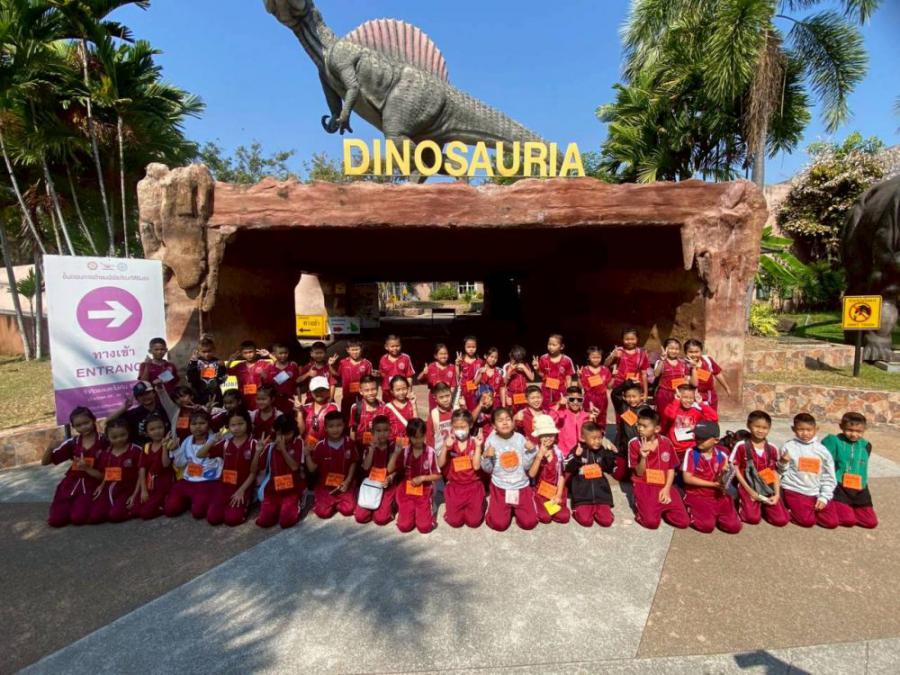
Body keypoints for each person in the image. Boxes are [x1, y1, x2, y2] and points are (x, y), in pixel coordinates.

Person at [42, 406, 109, 527]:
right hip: (70, 485)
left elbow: (109, 472)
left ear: (93, 420)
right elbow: (45, 462)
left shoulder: (105, 441)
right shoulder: (73, 443)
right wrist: (50, 448)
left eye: (86, 423)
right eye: (78, 425)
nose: (83, 427)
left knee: (78, 518)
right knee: (56, 521)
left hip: (92, 484)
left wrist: (87, 469)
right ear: (73, 427)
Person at [629, 408, 689, 530]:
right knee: (651, 523)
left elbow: (671, 468)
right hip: (644, 485)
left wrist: (666, 489)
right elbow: (639, 473)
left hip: (664, 484)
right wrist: (642, 456)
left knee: (683, 522)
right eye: (639, 425)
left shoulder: (666, 442)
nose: (640, 429)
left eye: (644, 426)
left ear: (656, 429)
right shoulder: (634, 444)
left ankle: (661, 510)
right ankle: (641, 507)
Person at [197, 408, 260, 526]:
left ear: (247, 423)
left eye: (240, 424)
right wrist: (212, 441)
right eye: (233, 425)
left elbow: (253, 473)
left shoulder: (254, 444)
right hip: (224, 487)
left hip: (243, 488)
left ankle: (247, 503)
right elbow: (200, 454)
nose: (237, 428)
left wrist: (241, 491)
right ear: (228, 427)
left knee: (232, 520)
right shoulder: (225, 443)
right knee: (213, 518)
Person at [481, 407, 539, 531]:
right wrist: (486, 457)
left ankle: (519, 507)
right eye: (500, 420)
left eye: (508, 419)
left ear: (513, 422)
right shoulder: (491, 441)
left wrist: (531, 452)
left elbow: (526, 466)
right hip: (500, 488)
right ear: (494, 426)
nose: (505, 423)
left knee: (529, 523)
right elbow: (487, 469)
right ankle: (499, 507)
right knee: (499, 524)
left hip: (521, 486)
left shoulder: (520, 438)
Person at [778, 412, 838, 529]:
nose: (805, 433)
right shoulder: (788, 447)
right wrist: (783, 462)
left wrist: (824, 497)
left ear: (816, 429)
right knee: (807, 521)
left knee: (832, 522)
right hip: (794, 489)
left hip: (815, 491)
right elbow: (780, 472)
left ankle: (806, 510)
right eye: (801, 429)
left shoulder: (822, 451)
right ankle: (788, 509)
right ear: (793, 429)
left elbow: (828, 476)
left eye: (809, 430)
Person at [730, 411, 789, 527]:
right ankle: (744, 505)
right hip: (748, 484)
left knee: (781, 520)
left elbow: (774, 472)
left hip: (767, 484)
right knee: (752, 518)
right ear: (748, 425)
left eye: (765, 428)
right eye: (757, 426)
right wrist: (750, 492)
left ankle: (763, 507)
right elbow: (735, 468)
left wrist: (777, 494)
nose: (761, 430)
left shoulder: (772, 448)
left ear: (769, 429)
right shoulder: (741, 445)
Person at [681, 421, 742, 534]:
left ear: (716, 440)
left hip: (718, 496)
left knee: (734, 527)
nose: (698, 440)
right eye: (697, 437)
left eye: (703, 438)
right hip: (697, 495)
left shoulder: (722, 455)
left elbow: (724, 479)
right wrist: (712, 484)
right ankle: (694, 511)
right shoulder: (691, 453)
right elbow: (687, 478)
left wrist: (724, 475)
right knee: (706, 526)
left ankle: (715, 515)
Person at [822, 412, 878, 529]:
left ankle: (848, 509)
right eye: (849, 430)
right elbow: (823, 462)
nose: (854, 434)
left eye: (859, 431)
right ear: (841, 426)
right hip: (840, 486)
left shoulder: (866, 445)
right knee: (848, 520)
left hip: (860, 488)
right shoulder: (834, 441)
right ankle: (836, 507)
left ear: (864, 429)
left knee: (871, 522)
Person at [164, 411, 222, 520]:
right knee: (170, 510)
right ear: (189, 426)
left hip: (207, 481)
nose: (197, 427)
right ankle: (190, 501)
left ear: (208, 424)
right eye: (194, 424)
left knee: (198, 513)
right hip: (188, 480)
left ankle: (198, 501)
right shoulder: (187, 441)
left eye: (202, 423)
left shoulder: (215, 440)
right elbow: (180, 464)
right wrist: (175, 450)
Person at [388, 418, 441, 534]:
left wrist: (423, 478)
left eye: (421, 437)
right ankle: (403, 509)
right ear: (409, 436)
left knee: (424, 527)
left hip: (424, 491)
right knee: (404, 526)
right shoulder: (405, 452)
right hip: (406, 492)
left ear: (424, 435)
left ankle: (429, 506)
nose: (418, 440)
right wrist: (396, 453)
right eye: (414, 437)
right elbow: (390, 469)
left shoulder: (430, 452)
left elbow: (438, 475)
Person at [256, 414, 305, 529]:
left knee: (286, 522)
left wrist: (283, 449)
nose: (283, 437)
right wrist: (258, 452)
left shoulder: (298, 443)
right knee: (264, 522)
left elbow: (294, 467)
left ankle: (297, 501)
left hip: (291, 491)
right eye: (280, 434)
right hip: (273, 491)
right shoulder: (270, 447)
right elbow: (256, 469)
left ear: (293, 432)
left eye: (287, 433)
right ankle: (275, 508)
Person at [306, 411, 358, 518]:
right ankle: (325, 500)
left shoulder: (349, 443)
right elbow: (312, 469)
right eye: (331, 426)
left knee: (348, 510)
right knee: (323, 513)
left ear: (344, 425)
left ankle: (338, 501)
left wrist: (348, 481)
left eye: (339, 425)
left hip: (344, 485)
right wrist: (307, 455)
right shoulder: (320, 446)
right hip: (326, 486)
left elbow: (353, 462)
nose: (335, 429)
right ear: (325, 428)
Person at [88, 418, 141, 524]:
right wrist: (101, 486)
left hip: (128, 490)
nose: (119, 439)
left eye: (123, 435)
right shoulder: (106, 453)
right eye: (114, 437)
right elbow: (106, 473)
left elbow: (141, 474)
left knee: (115, 516)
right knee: (95, 517)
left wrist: (134, 495)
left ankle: (135, 509)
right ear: (107, 437)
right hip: (109, 489)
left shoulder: (136, 450)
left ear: (128, 433)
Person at [438, 410, 485, 528]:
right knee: (454, 522)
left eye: (463, 427)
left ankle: (477, 504)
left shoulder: (474, 442)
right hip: (455, 486)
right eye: (456, 427)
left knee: (474, 522)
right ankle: (455, 508)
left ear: (470, 425)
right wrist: (445, 447)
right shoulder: (450, 442)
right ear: (452, 427)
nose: (460, 430)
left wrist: (478, 447)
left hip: (473, 486)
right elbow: (440, 464)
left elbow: (476, 466)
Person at [565, 422, 618, 527]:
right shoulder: (578, 450)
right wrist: (576, 456)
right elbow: (567, 467)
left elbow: (610, 469)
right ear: (583, 438)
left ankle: (600, 510)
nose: (597, 441)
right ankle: (578, 511)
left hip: (601, 495)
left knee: (607, 521)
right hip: (582, 496)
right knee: (586, 521)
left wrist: (610, 454)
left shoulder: (603, 451)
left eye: (600, 438)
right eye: (593, 438)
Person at [354, 416, 398, 526]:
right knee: (360, 517)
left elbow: (392, 469)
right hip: (371, 484)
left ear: (390, 431)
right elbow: (365, 467)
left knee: (381, 519)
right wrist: (372, 449)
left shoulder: (392, 447)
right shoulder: (369, 446)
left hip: (385, 484)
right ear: (373, 432)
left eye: (385, 430)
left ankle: (391, 506)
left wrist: (390, 478)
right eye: (378, 431)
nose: (382, 434)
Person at [132, 415, 177, 520]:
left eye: (160, 427)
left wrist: (164, 446)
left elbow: (165, 464)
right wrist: (143, 490)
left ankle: (163, 505)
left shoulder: (170, 444)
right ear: (147, 433)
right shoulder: (146, 447)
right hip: (150, 484)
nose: (157, 431)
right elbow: (142, 469)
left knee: (145, 514)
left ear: (164, 428)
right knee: (135, 511)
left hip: (164, 484)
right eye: (152, 429)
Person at [528, 414, 570, 525]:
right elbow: (531, 474)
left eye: (551, 435)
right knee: (545, 517)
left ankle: (550, 506)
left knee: (564, 516)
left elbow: (561, 476)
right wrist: (539, 456)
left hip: (554, 491)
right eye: (544, 435)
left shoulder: (558, 452)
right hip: (539, 492)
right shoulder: (534, 451)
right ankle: (537, 505)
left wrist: (558, 495)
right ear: (538, 436)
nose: (548, 438)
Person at [107, 380, 177, 446]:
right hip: (143, 450)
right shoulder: (134, 414)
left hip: (168, 445)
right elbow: (109, 421)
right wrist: (124, 408)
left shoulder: (165, 407)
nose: (145, 397)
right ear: (137, 399)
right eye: (141, 395)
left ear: (154, 393)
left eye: (147, 393)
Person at [661, 382, 718, 461]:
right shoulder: (671, 408)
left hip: (691, 449)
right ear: (678, 396)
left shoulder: (696, 412)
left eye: (691, 398)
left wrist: (701, 403)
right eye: (685, 397)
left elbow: (714, 418)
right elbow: (671, 416)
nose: (688, 400)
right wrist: (676, 401)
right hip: (673, 449)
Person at [607, 328, 650, 410]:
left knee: (635, 412)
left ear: (637, 339)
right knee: (621, 411)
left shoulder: (642, 353)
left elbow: (644, 374)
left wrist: (645, 393)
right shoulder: (618, 351)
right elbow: (606, 365)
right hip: (619, 388)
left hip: (635, 388)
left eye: (632, 339)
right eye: (627, 339)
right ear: (622, 339)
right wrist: (612, 356)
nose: (630, 341)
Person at [330, 340, 373, 421]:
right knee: (345, 418)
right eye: (352, 350)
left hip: (362, 398)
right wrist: (330, 365)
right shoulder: (343, 363)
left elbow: (370, 382)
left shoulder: (367, 364)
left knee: (361, 417)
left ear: (361, 349)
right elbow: (336, 375)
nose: (355, 352)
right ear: (348, 350)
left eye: (357, 349)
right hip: (347, 397)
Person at [684, 338, 731, 411]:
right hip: (695, 397)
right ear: (685, 352)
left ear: (701, 351)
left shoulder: (708, 360)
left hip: (711, 396)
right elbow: (694, 384)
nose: (694, 354)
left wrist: (727, 388)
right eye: (690, 352)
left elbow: (717, 373)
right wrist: (694, 368)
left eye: (696, 352)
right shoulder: (684, 365)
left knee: (711, 416)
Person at [550, 385, 598, 456]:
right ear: (567, 400)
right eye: (572, 399)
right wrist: (558, 404)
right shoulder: (561, 413)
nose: (575, 402)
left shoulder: (586, 415)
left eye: (579, 399)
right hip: (565, 454)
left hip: (583, 454)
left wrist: (592, 419)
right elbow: (549, 420)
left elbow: (591, 435)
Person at [227, 340, 273, 411]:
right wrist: (230, 360)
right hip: (243, 401)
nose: (248, 355)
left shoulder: (263, 364)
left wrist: (269, 355)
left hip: (260, 402)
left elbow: (277, 368)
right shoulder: (239, 366)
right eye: (245, 353)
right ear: (241, 354)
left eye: (250, 352)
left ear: (255, 351)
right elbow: (226, 371)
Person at [612, 383, 645, 482]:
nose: (631, 399)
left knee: (636, 476)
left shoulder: (645, 410)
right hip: (623, 447)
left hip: (637, 448)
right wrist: (627, 383)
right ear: (624, 397)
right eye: (628, 397)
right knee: (619, 476)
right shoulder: (623, 406)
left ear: (641, 396)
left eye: (634, 396)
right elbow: (614, 394)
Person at [533, 334, 576, 409]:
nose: (550, 347)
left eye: (554, 345)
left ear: (561, 346)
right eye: (549, 344)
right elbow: (542, 375)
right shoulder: (543, 358)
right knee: (546, 411)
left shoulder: (567, 360)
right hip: (546, 392)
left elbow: (568, 378)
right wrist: (536, 369)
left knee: (561, 411)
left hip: (561, 392)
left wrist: (568, 395)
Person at [349, 375, 387, 451]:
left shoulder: (383, 406)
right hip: (360, 449)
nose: (370, 393)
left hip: (379, 449)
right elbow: (353, 430)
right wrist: (353, 448)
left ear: (377, 389)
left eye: (373, 389)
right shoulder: (356, 408)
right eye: (366, 390)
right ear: (361, 391)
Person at [300, 376, 339, 449]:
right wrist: (299, 412)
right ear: (311, 392)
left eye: (322, 390)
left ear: (327, 391)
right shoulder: (305, 408)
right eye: (316, 390)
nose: (319, 393)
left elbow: (337, 431)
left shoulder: (333, 408)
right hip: (308, 449)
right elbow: (301, 431)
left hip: (327, 448)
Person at [186, 336, 228, 405]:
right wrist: (193, 363)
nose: (207, 354)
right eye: (204, 352)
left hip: (215, 396)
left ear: (214, 350)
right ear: (198, 351)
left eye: (209, 351)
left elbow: (223, 380)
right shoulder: (195, 362)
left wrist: (222, 368)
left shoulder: (218, 362)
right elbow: (190, 379)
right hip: (198, 396)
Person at [579, 346, 611, 432]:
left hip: (602, 398)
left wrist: (614, 376)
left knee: (601, 418)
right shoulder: (584, 370)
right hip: (589, 398)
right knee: (588, 418)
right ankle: (587, 435)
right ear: (588, 358)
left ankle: (601, 435)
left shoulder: (605, 370)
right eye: (593, 357)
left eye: (598, 357)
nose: (596, 359)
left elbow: (609, 386)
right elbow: (581, 387)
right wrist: (579, 377)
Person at [653, 338, 689, 414]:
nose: (674, 351)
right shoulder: (661, 362)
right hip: (664, 394)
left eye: (676, 349)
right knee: (663, 415)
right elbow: (656, 374)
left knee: (677, 415)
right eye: (671, 348)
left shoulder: (683, 363)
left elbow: (686, 379)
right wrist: (662, 360)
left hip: (679, 394)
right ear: (665, 349)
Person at [418, 343, 458, 412]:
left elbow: (453, 386)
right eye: (441, 354)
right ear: (435, 356)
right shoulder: (431, 366)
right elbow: (419, 379)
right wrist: (423, 373)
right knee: (434, 415)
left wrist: (448, 398)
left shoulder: (452, 367)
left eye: (445, 354)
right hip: (433, 398)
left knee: (446, 415)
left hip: (446, 399)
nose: (443, 356)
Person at [265, 342, 301, 415]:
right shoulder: (270, 367)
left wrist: (299, 401)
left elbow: (297, 385)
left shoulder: (293, 366)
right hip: (275, 402)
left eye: (285, 353)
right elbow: (269, 386)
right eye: (280, 353)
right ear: (274, 354)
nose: (283, 355)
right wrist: (285, 375)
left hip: (289, 401)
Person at [377, 335, 415, 403]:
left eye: (397, 346)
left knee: (401, 408)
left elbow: (409, 376)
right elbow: (382, 375)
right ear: (386, 347)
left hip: (401, 391)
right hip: (387, 392)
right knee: (387, 408)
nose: (395, 348)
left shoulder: (405, 358)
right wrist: (378, 374)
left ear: (401, 345)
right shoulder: (383, 359)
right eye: (392, 346)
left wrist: (409, 391)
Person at [383, 375, 417, 444]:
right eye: (398, 390)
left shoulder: (411, 403)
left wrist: (414, 405)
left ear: (408, 388)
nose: (401, 392)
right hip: (393, 444)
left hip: (409, 443)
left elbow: (416, 424)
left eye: (404, 389)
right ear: (392, 391)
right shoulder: (387, 408)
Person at [426, 382, 456, 454]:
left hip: (456, 451)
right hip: (440, 453)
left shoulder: (456, 410)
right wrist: (431, 454)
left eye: (447, 396)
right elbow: (429, 438)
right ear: (435, 398)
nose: (445, 399)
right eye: (441, 397)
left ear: (451, 394)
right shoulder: (433, 415)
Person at [503, 345, 534, 412]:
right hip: (511, 396)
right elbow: (504, 383)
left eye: (520, 360)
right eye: (515, 359)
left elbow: (531, 378)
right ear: (511, 356)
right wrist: (506, 397)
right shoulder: (507, 366)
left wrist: (524, 368)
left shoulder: (525, 365)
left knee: (523, 413)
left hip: (523, 395)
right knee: (512, 413)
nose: (517, 362)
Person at [457, 336, 484, 411]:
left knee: (474, 411)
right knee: (463, 413)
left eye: (473, 347)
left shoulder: (480, 362)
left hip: (475, 392)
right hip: (463, 392)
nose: (471, 349)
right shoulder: (461, 360)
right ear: (464, 347)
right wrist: (457, 365)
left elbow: (481, 378)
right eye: (468, 347)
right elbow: (457, 377)